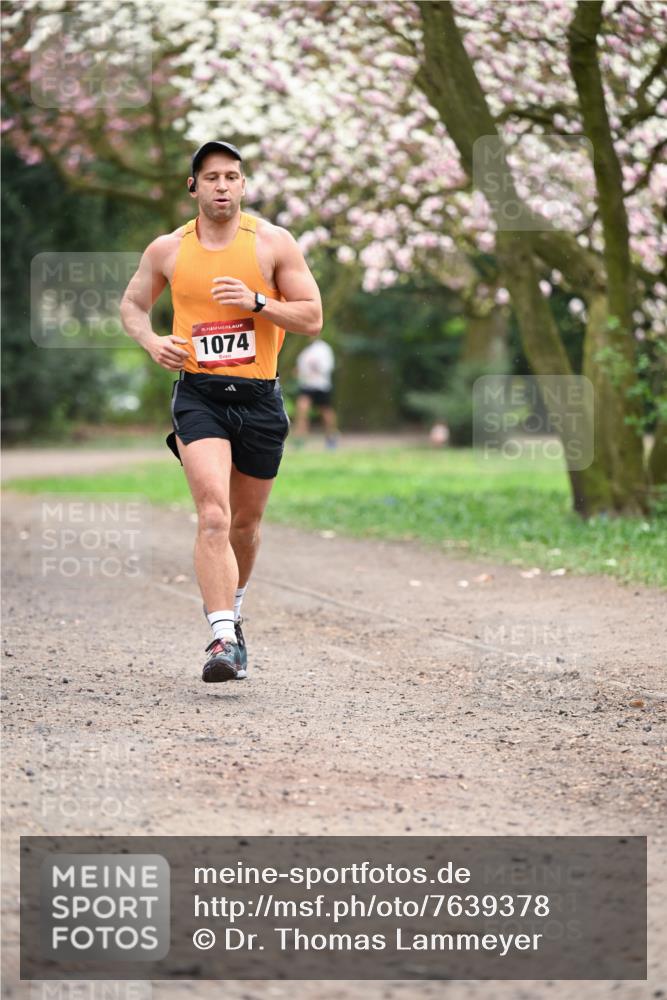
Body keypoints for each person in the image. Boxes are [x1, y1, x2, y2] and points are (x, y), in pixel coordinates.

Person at [120, 140, 323, 683]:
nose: (222, 186)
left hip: (259, 398)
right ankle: (221, 638)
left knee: (246, 524)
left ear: (243, 185)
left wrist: (258, 302)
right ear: (194, 187)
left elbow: (312, 317)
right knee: (214, 514)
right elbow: (133, 305)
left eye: (232, 176)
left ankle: (235, 609)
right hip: (200, 394)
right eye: (211, 177)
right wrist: (151, 340)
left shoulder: (273, 244)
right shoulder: (168, 248)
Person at [294, 337, 338, 448]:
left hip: (321, 385)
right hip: (307, 385)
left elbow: (327, 367)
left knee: (326, 412)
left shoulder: (324, 348)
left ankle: (331, 436)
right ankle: (300, 439)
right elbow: (300, 368)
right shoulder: (306, 350)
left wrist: (314, 369)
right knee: (302, 409)